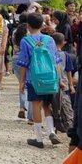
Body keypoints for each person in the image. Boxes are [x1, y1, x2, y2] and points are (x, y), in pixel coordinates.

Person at [17, 13, 61, 148]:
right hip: (50, 78)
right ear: (42, 25)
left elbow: (24, 63)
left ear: (28, 26)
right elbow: (56, 61)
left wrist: (22, 81)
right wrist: (58, 78)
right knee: (46, 105)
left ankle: (39, 139)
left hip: (33, 80)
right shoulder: (50, 40)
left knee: (36, 105)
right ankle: (52, 131)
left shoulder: (25, 41)